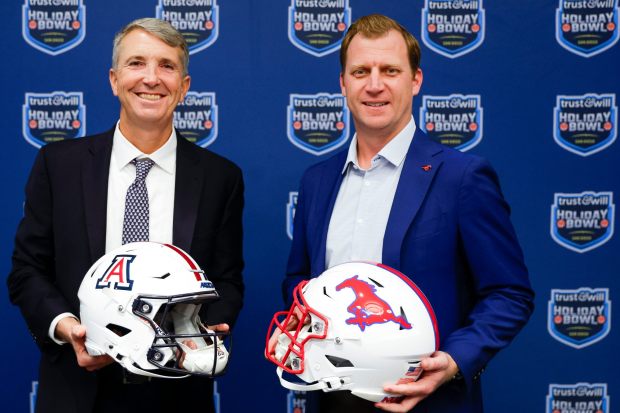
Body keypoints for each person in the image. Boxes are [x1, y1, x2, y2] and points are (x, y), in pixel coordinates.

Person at [276, 14, 534, 413]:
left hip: (430, 401)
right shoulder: (317, 181)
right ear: (343, 84)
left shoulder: (462, 177)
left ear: (415, 80)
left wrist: (453, 361)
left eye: (390, 70)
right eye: (361, 71)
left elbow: (509, 293)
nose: (375, 85)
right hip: (333, 399)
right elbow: (300, 279)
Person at [7, 18, 244, 413]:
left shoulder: (221, 178)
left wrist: (199, 331)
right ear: (115, 80)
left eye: (166, 66)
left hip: (176, 391)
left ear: (184, 87)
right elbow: (27, 270)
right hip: (77, 388)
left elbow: (227, 280)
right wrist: (70, 329)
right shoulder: (58, 165)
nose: (151, 78)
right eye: (137, 63)